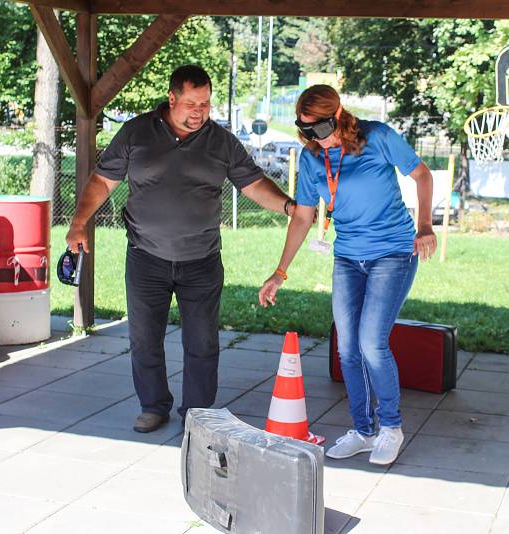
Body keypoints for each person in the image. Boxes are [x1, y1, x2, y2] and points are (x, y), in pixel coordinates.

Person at [67, 65, 297, 433]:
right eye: (190, 103)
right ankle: (153, 405)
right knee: (144, 339)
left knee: (202, 342)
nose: (198, 112)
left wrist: (288, 206)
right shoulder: (136, 132)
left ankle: (198, 413)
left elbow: (253, 185)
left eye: (205, 104)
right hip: (146, 256)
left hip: (202, 260)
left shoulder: (220, 141)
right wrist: (79, 223)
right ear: (171, 98)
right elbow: (103, 180)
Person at [258, 85, 436, 465]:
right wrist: (279, 271)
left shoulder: (378, 137)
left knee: (372, 343)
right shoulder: (311, 159)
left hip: (392, 252)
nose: (313, 139)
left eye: (318, 130)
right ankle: (364, 430)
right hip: (348, 258)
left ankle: (390, 427)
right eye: (305, 131)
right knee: (347, 348)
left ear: (337, 116)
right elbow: (304, 216)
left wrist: (425, 225)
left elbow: (422, 175)